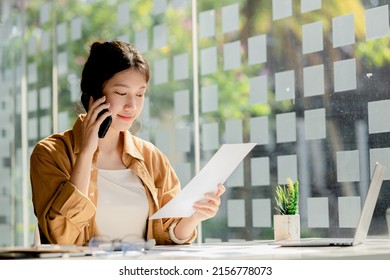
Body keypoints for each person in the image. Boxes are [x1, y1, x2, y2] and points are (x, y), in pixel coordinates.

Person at [30, 40, 225, 246]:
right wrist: (87, 151)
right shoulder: (50, 154)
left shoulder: (151, 157)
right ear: (93, 96)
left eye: (140, 94)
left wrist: (194, 216)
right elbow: (62, 238)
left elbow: (167, 237)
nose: (132, 105)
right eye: (122, 93)